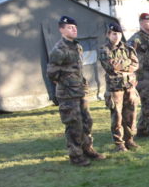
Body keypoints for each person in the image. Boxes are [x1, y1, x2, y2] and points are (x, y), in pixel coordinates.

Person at [46, 16, 107, 166]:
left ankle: (87, 149)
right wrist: (66, 83)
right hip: (68, 94)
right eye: (69, 27)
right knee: (74, 124)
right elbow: (52, 73)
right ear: (61, 30)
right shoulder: (59, 49)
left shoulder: (77, 46)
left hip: (80, 91)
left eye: (75, 27)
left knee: (87, 121)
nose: (74, 29)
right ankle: (76, 155)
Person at [99, 23, 141, 152]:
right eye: (114, 34)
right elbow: (110, 67)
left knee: (131, 114)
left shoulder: (128, 48)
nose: (116, 36)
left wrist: (119, 65)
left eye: (118, 34)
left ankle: (129, 140)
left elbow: (136, 65)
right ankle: (119, 143)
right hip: (115, 88)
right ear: (108, 35)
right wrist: (126, 64)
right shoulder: (104, 50)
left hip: (129, 86)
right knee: (117, 116)